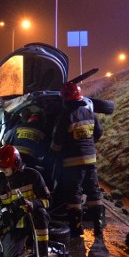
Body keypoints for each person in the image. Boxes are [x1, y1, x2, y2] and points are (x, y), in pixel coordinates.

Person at [0, 145, 50, 257]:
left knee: (40, 214)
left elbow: (47, 201)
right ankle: (25, 244)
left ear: (16, 165)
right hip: (15, 224)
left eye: (6, 169)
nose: (3, 171)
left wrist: (33, 204)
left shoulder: (33, 176)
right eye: (1, 169)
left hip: (33, 220)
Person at [50, 82, 105, 238]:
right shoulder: (90, 114)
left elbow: (57, 143)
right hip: (90, 160)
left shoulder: (65, 116)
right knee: (94, 192)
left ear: (65, 99)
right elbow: (98, 133)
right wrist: (88, 144)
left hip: (72, 163)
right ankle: (98, 228)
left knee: (74, 196)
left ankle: (76, 229)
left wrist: (53, 153)